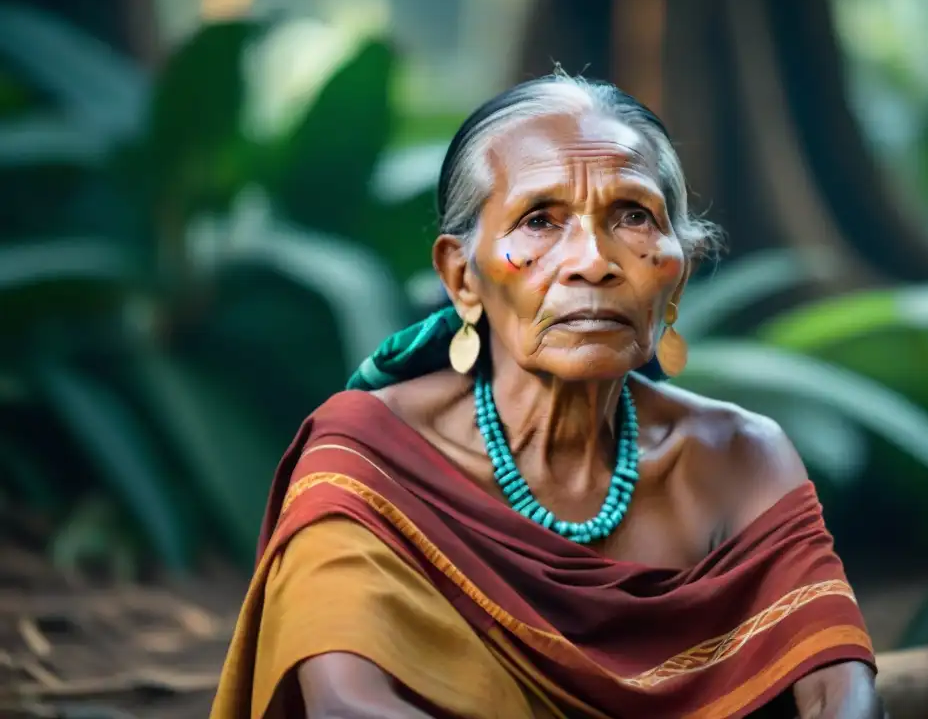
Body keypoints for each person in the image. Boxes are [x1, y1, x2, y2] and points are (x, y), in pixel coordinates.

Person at [210, 71, 882, 719]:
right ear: (460, 276)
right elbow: (349, 707)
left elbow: (838, 691)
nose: (593, 259)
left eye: (632, 215)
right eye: (540, 220)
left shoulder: (740, 459)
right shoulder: (367, 462)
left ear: (678, 274)